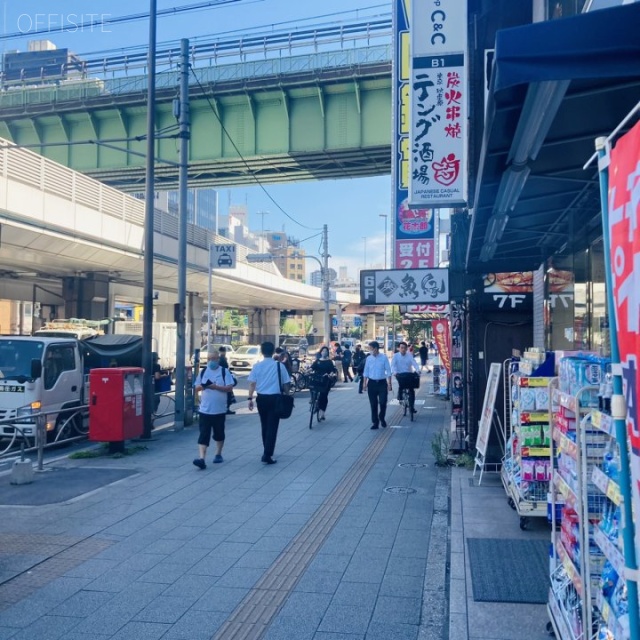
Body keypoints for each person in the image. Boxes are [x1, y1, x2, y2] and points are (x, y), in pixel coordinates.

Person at [247, 341, 291, 464]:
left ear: (261, 352)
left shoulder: (257, 366)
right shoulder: (279, 366)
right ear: (272, 352)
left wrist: (250, 398)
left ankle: (266, 449)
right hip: (275, 398)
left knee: (264, 424)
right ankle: (267, 454)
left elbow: (252, 383)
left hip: (261, 398)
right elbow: (286, 383)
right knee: (273, 426)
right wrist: (287, 396)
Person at [193, 350, 234, 469]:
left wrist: (216, 387)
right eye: (209, 359)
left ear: (218, 359)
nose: (211, 361)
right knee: (203, 434)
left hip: (219, 410)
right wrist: (203, 386)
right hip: (205, 410)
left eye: (214, 358)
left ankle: (218, 453)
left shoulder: (224, 371)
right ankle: (201, 459)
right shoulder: (203, 372)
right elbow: (196, 388)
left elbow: (229, 388)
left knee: (219, 433)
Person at [363, 341, 392, 429]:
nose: (369, 350)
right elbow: (366, 371)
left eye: (370, 348)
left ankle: (381, 417)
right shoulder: (369, 359)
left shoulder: (384, 358)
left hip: (382, 383)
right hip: (371, 383)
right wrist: (364, 384)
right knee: (373, 404)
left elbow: (388, 371)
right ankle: (375, 422)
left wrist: (389, 383)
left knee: (383, 402)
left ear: (375, 348)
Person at [391, 341, 420, 414]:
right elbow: (393, 366)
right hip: (399, 374)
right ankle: (400, 396)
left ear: (407, 349)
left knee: (411, 390)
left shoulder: (409, 355)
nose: (403, 349)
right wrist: (395, 372)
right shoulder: (395, 356)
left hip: (408, 374)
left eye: (404, 348)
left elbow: (414, 363)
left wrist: (418, 370)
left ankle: (412, 407)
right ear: (398, 348)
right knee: (401, 385)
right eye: (401, 348)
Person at [310, 345, 337, 421]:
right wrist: (308, 371)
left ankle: (322, 413)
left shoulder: (329, 362)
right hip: (317, 379)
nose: (324, 352)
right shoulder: (317, 361)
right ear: (320, 352)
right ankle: (313, 400)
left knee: (324, 396)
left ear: (327, 353)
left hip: (325, 381)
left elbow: (332, 370)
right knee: (311, 387)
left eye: (326, 351)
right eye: (323, 351)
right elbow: (312, 367)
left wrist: (330, 374)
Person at [218, 346, 236, 415]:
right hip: (225, 379)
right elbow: (226, 369)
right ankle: (227, 409)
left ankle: (226, 408)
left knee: (226, 394)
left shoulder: (220, 359)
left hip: (222, 378)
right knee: (228, 394)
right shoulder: (223, 359)